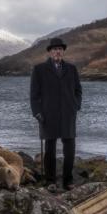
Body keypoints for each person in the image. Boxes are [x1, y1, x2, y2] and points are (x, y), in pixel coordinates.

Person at [30, 37, 82, 192]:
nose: (57, 51)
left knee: (70, 149)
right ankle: (50, 181)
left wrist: (76, 106)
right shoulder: (39, 69)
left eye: (60, 49)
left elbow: (78, 91)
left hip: (68, 114)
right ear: (50, 52)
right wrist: (37, 112)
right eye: (54, 49)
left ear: (63, 51)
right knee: (50, 149)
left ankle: (68, 181)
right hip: (48, 115)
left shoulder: (72, 69)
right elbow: (34, 95)